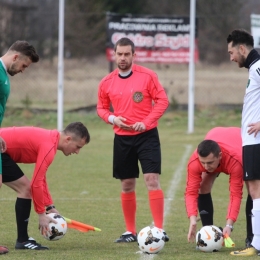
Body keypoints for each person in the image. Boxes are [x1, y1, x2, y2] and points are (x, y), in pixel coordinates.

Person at [97, 37, 169, 243]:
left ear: (134, 55)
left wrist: (146, 122)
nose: (122, 58)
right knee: (127, 184)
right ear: (114, 54)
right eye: (119, 54)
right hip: (122, 139)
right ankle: (130, 231)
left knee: (152, 180)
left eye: (127, 54)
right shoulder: (106, 82)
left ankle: (160, 230)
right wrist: (112, 118)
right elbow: (101, 108)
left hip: (147, 137)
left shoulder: (148, 76)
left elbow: (162, 101)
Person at [1, 122, 90, 251]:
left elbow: (41, 178)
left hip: (3, 153)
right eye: (77, 147)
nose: (77, 152)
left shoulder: (50, 140)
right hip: (1, 151)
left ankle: (23, 240)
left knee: (25, 189)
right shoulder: (48, 146)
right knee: (25, 189)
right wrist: (41, 214)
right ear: (68, 139)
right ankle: (23, 240)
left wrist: (50, 206)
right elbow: (36, 183)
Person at [0, 40, 39, 254]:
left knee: (24, 186)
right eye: (24, 66)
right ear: (15, 57)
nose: (23, 71)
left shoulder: (4, 75)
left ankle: (22, 239)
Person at [185, 127, 253, 245]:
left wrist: (229, 225)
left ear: (219, 156)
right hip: (215, 133)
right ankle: (209, 234)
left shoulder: (235, 161)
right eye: (203, 163)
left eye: (210, 163)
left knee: (253, 190)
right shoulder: (195, 161)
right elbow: (191, 192)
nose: (206, 167)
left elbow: (235, 195)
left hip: (240, 141)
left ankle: (251, 239)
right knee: (202, 186)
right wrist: (192, 218)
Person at [227, 29, 260, 256]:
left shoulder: (258, 67)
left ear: (241, 48)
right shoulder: (254, 69)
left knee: (255, 190)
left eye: (231, 52)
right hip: (251, 141)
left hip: (256, 141)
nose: (231, 58)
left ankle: (257, 244)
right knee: (255, 191)